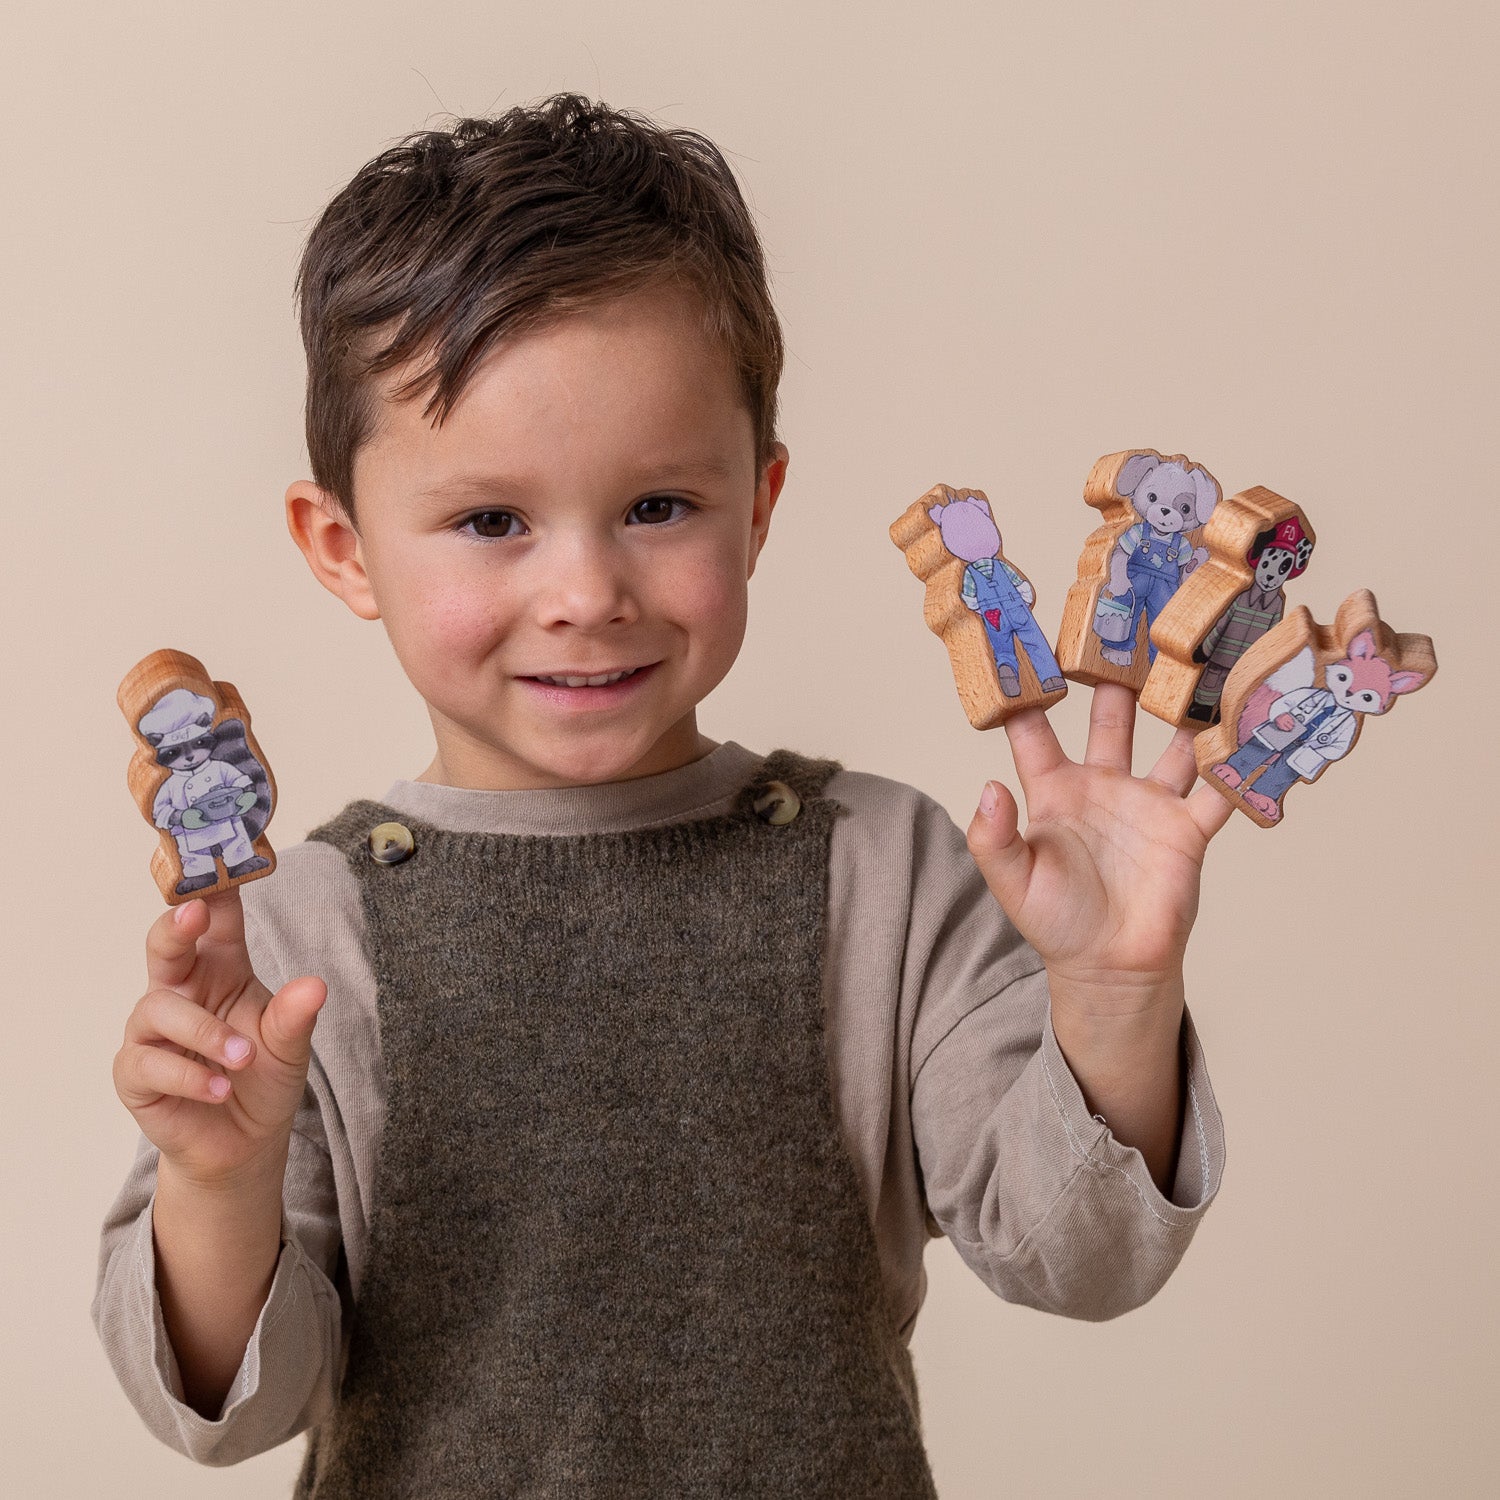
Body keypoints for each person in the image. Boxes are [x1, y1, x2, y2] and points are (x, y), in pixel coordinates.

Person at [93, 95, 1232, 1496]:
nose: (585, 595)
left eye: (657, 508)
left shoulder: (886, 870)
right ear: (343, 548)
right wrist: (219, 1177)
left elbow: (1082, 1255)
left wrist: (1118, 996)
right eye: (492, 521)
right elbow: (231, 1406)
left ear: (757, 504)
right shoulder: (297, 935)